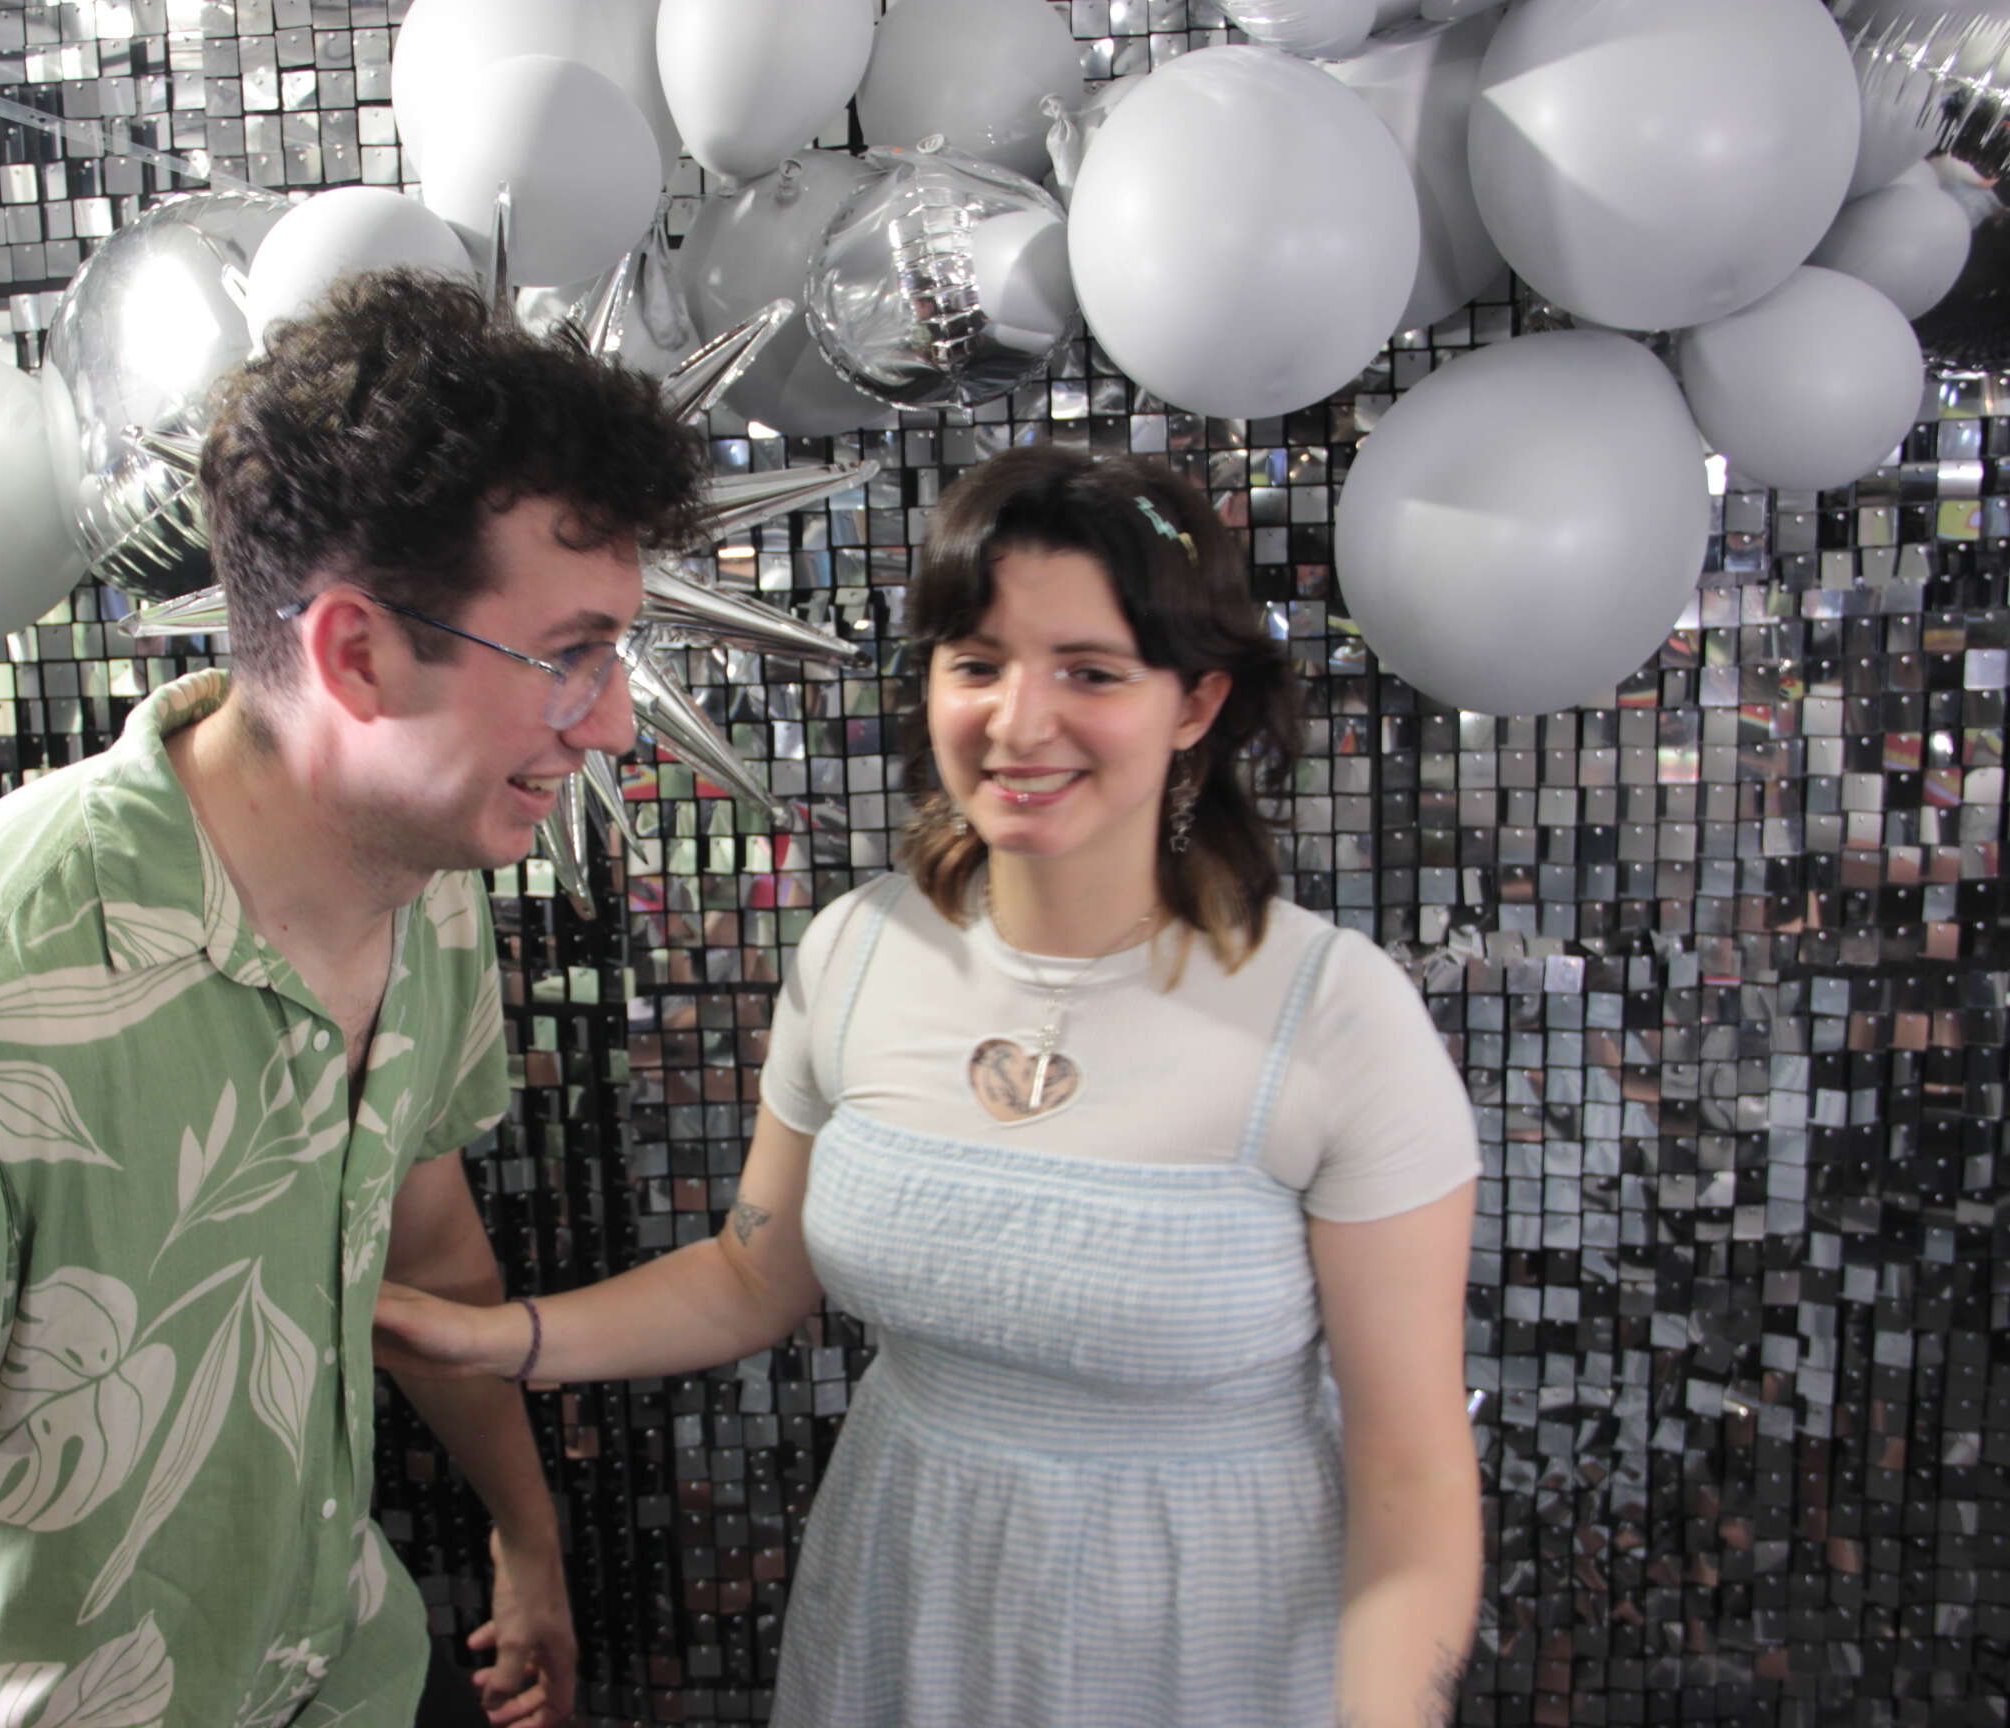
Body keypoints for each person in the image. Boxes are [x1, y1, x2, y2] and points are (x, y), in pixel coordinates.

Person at [0, 271, 707, 1728]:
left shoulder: (429, 883)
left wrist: (526, 1537)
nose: (609, 722)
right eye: (567, 658)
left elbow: (424, 1237)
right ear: (357, 653)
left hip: (345, 1673)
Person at [376, 446, 1485, 1727]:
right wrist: (501, 1339)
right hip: (906, 1602)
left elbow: (1411, 1479)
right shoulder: (859, 952)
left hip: (1204, 1628)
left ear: (1196, 703)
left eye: (1091, 672)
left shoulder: (1334, 1014)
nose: (1019, 722)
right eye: (978, 663)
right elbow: (752, 1275)